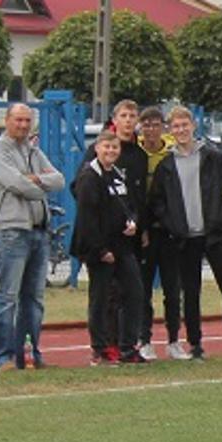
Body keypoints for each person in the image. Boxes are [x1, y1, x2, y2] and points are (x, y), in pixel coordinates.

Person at [0, 103, 66, 372]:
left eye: (27, 120)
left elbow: (60, 180)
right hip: (11, 231)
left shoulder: (33, 151)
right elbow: (19, 186)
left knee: (34, 298)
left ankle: (29, 354)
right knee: (7, 297)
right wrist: (37, 184)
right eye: (18, 119)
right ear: (7, 121)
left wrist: (33, 180)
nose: (23, 125)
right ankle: (2, 357)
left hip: (39, 231)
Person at [150, 106, 222, 361]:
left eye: (184, 125)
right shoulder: (166, 166)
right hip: (185, 237)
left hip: (214, 234)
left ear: (193, 125)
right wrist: (172, 224)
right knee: (191, 291)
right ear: (170, 130)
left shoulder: (213, 158)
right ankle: (195, 342)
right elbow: (158, 202)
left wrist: (221, 212)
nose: (181, 130)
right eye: (175, 126)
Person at [71, 134, 147, 366]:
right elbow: (87, 218)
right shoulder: (88, 177)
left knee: (134, 292)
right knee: (101, 298)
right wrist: (100, 249)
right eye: (106, 147)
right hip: (100, 249)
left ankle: (127, 346)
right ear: (97, 148)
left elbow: (129, 205)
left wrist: (133, 222)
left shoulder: (117, 175)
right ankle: (100, 349)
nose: (111, 151)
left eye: (114, 147)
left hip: (122, 246)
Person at [135, 106, 176, 359]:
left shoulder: (172, 152)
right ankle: (144, 339)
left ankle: (174, 340)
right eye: (146, 124)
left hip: (170, 228)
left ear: (163, 126)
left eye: (155, 124)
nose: (151, 129)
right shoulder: (134, 152)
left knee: (173, 288)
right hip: (143, 228)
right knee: (143, 288)